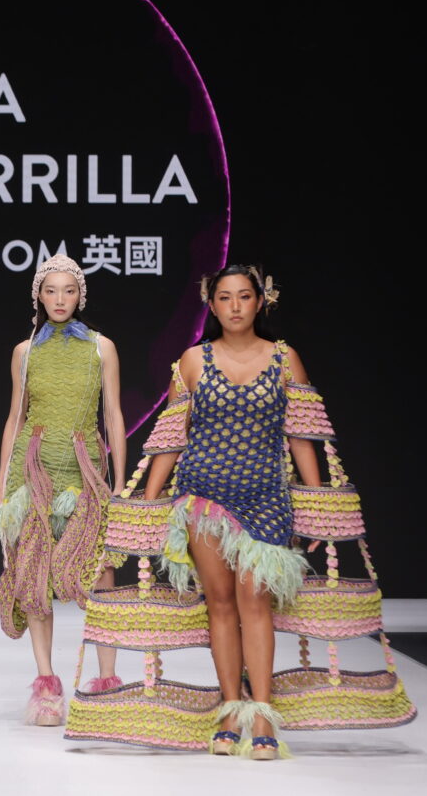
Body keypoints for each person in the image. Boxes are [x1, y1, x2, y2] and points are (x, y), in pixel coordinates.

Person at [143, 264, 315, 760]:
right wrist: (150, 500)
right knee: (219, 604)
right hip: (204, 497)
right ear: (211, 304)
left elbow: (302, 434)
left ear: (262, 301)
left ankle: (263, 715)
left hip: (265, 496)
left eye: (244, 296)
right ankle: (229, 709)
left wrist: (318, 500)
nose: (235, 306)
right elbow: (172, 434)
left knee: (255, 602)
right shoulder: (192, 360)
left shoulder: (285, 359)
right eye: (225, 297)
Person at [0, 254, 127, 726]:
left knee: (101, 572)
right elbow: (15, 417)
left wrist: (120, 484)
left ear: (80, 295)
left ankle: (107, 683)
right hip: (33, 469)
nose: (60, 299)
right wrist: (1, 486)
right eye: (51, 290)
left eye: (69, 290)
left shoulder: (101, 348)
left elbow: (113, 415)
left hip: (85, 470)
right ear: (39, 296)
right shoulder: (25, 351)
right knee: (33, 575)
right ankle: (46, 685)